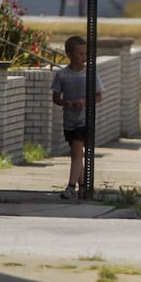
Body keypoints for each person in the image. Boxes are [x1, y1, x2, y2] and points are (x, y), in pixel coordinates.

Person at [51, 35, 105, 200]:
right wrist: (64, 102)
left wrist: (85, 102)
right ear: (69, 54)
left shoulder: (90, 74)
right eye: (80, 54)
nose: (84, 57)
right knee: (77, 153)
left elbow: (99, 96)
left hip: (85, 119)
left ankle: (70, 187)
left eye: (85, 54)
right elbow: (55, 97)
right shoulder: (62, 75)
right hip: (70, 119)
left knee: (76, 151)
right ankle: (82, 186)